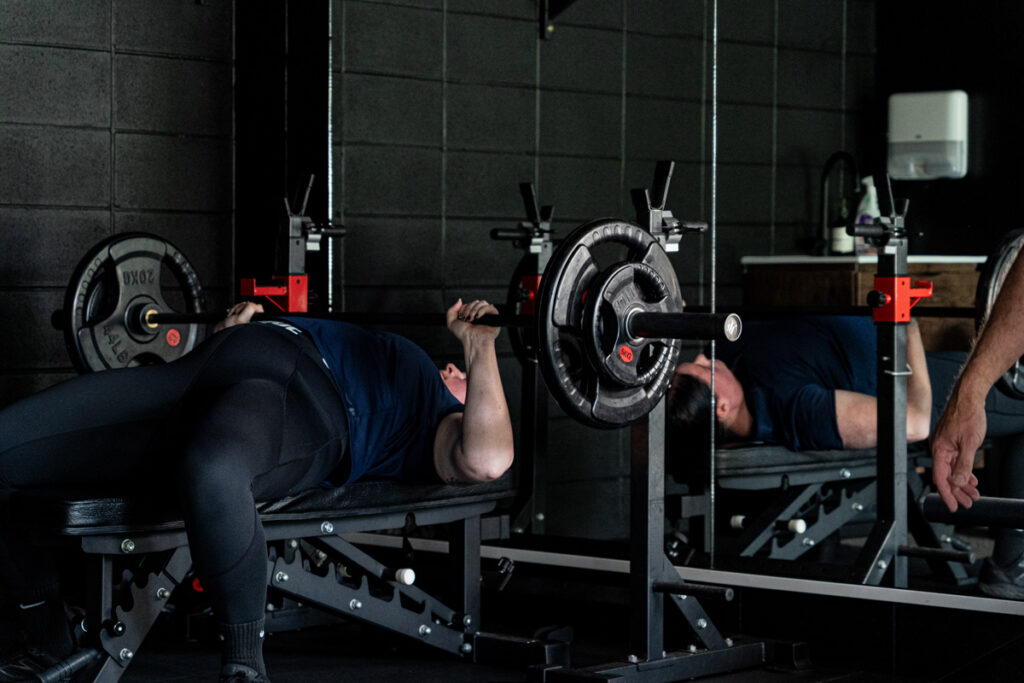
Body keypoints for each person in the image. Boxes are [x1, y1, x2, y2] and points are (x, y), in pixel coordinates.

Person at [0, 299, 513, 682]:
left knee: (214, 470)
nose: (453, 369)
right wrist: (231, 335)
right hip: (206, 369)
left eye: (465, 379)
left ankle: (245, 668)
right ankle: (44, 637)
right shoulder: (417, 376)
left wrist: (480, 347)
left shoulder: (430, 418)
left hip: (301, 389)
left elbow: (487, 460)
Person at [667, 314, 1024, 599]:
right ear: (722, 409)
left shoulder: (733, 361)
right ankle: (1011, 569)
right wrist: (905, 324)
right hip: (920, 380)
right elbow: (914, 422)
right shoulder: (798, 409)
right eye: (702, 370)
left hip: (893, 351)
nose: (702, 357)